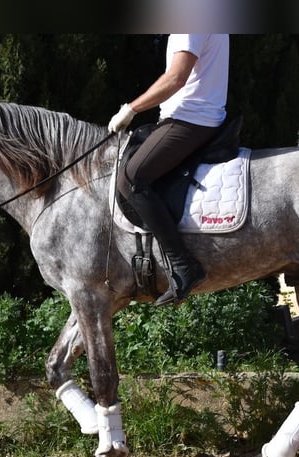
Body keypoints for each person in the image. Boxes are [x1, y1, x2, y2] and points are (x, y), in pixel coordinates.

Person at [108, 34, 229, 306]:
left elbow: (176, 77)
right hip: (188, 116)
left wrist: (131, 109)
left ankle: (184, 265)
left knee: (131, 178)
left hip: (191, 119)